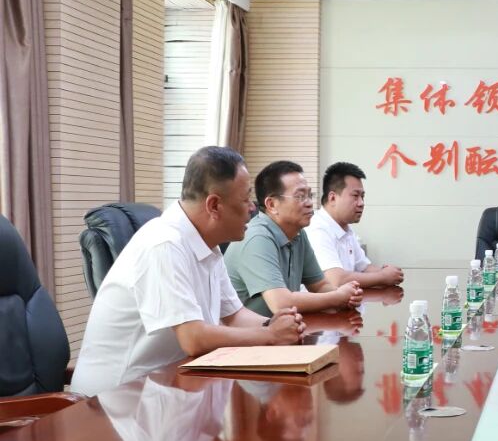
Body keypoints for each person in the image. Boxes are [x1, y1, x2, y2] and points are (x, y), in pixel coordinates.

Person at [71, 147, 305, 397]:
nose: (252, 208)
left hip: (169, 387)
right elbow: (193, 338)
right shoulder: (164, 245)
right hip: (117, 401)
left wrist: (280, 325)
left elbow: (235, 315)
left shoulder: (208, 244)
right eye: (245, 199)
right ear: (214, 205)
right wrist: (269, 335)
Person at [224, 160, 363, 317]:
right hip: (248, 331)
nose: (309, 203)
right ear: (272, 204)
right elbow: (281, 304)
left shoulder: (298, 233)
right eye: (300, 196)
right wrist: (337, 297)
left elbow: (320, 286)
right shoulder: (257, 238)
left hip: (282, 327)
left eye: (310, 195)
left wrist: (347, 296)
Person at [306, 161, 404, 289]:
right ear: (332, 198)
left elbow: (364, 268)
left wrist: (388, 273)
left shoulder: (346, 229)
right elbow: (336, 280)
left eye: (362, 196)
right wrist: (383, 276)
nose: (361, 203)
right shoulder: (317, 229)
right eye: (355, 196)